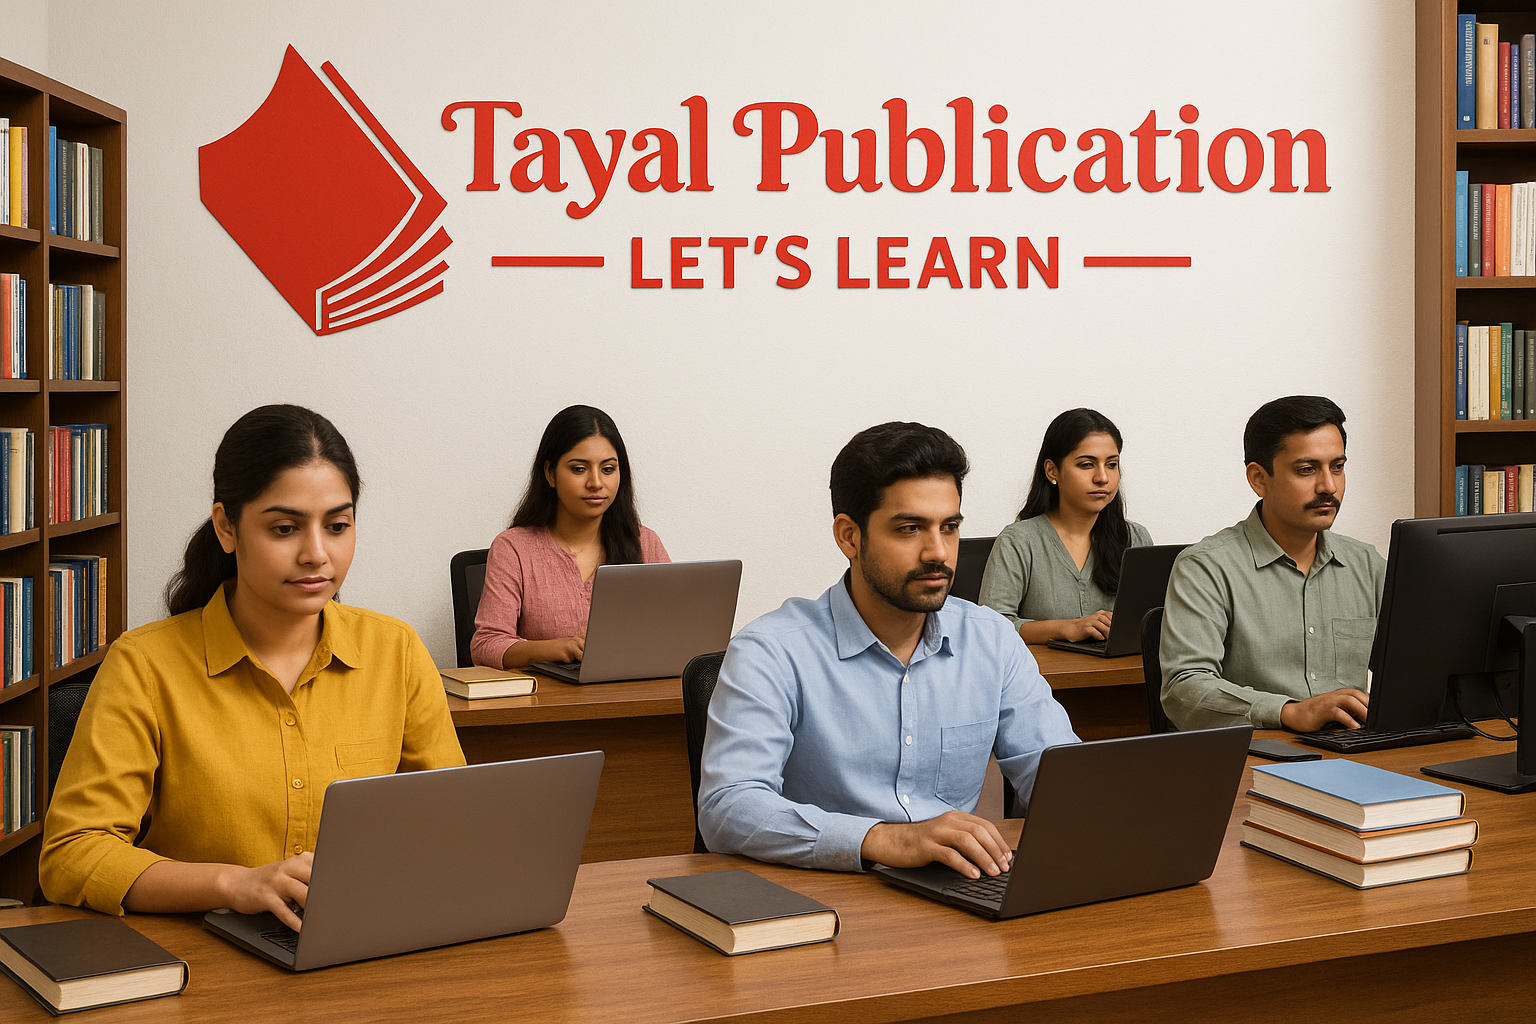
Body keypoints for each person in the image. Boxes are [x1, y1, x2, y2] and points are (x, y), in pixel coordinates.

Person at [40, 405, 465, 929]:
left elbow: (452, 825)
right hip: (201, 957)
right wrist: (233, 884)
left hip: (356, 944)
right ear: (227, 526)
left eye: (337, 526)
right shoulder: (145, 664)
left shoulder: (395, 651)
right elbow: (73, 855)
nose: (316, 554)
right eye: (285, 528)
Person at [698, 422, 1078, 877]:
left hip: (958, 896)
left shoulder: (991, 639)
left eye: (950, 527)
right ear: (849, 536)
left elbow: (1063, 780)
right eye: (909, 529)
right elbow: (728, 807)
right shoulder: (771, 651)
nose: (938, 552)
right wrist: (883, 839)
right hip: (826, 902)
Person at [1160, 396, 1386, 732]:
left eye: (1337, 466)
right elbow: (1184, 689)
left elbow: (1415, 668)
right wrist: (1290, 712)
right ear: (1259, 479)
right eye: (1306, 470)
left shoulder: (1367, 564)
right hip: (1259, 757)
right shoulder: (1205, 567)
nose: (1329, 486)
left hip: (1356, 752)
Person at [471, 405, 669, 669]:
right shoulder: (514, 548)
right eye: (579, 469)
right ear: (550, 473)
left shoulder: (645, 543)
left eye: (608, 469)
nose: (596, 482)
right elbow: (486, 646)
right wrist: (552, 648)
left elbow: (674, 632)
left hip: (635, 697)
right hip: (550, 705)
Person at [978, 408, 1152, 644]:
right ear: (1052, 470)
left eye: (1111, 464)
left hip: (1125, 676)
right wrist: (1065, 628)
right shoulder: (1019, 541)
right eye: (1086, 465)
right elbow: (991, 626)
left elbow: (1152, 623)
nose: (1102, 477)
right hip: (1046, 678)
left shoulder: (1136, 538)